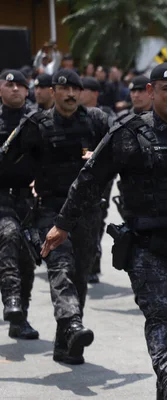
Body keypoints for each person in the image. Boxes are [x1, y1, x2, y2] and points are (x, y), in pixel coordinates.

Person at [41, 62, 167, 399]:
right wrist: (63, 224)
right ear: (150, 92)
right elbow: (89, 180)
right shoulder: (128, 133)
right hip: (148, 246)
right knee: (161, 314)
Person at [0, 69, 109, 364]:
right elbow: (6, 158)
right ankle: (72, 322)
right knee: (60, 267)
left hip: (87, 211)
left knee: (80, 276)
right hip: (50, 209)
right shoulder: (36, 124)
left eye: (76, 88)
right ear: (54, 91)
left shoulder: (97, 121)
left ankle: (66, 342)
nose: (72, 94)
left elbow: (119, 153)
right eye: (65, 89)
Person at [0, 70, 39, 339]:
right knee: (9, 237)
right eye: (9, 84)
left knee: (27, 260)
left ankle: (19, 317)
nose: (14, 89)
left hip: (29, 198)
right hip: (0, 196)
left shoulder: (38, 121)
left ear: (27, 91)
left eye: (20, 85)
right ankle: (11, 299)